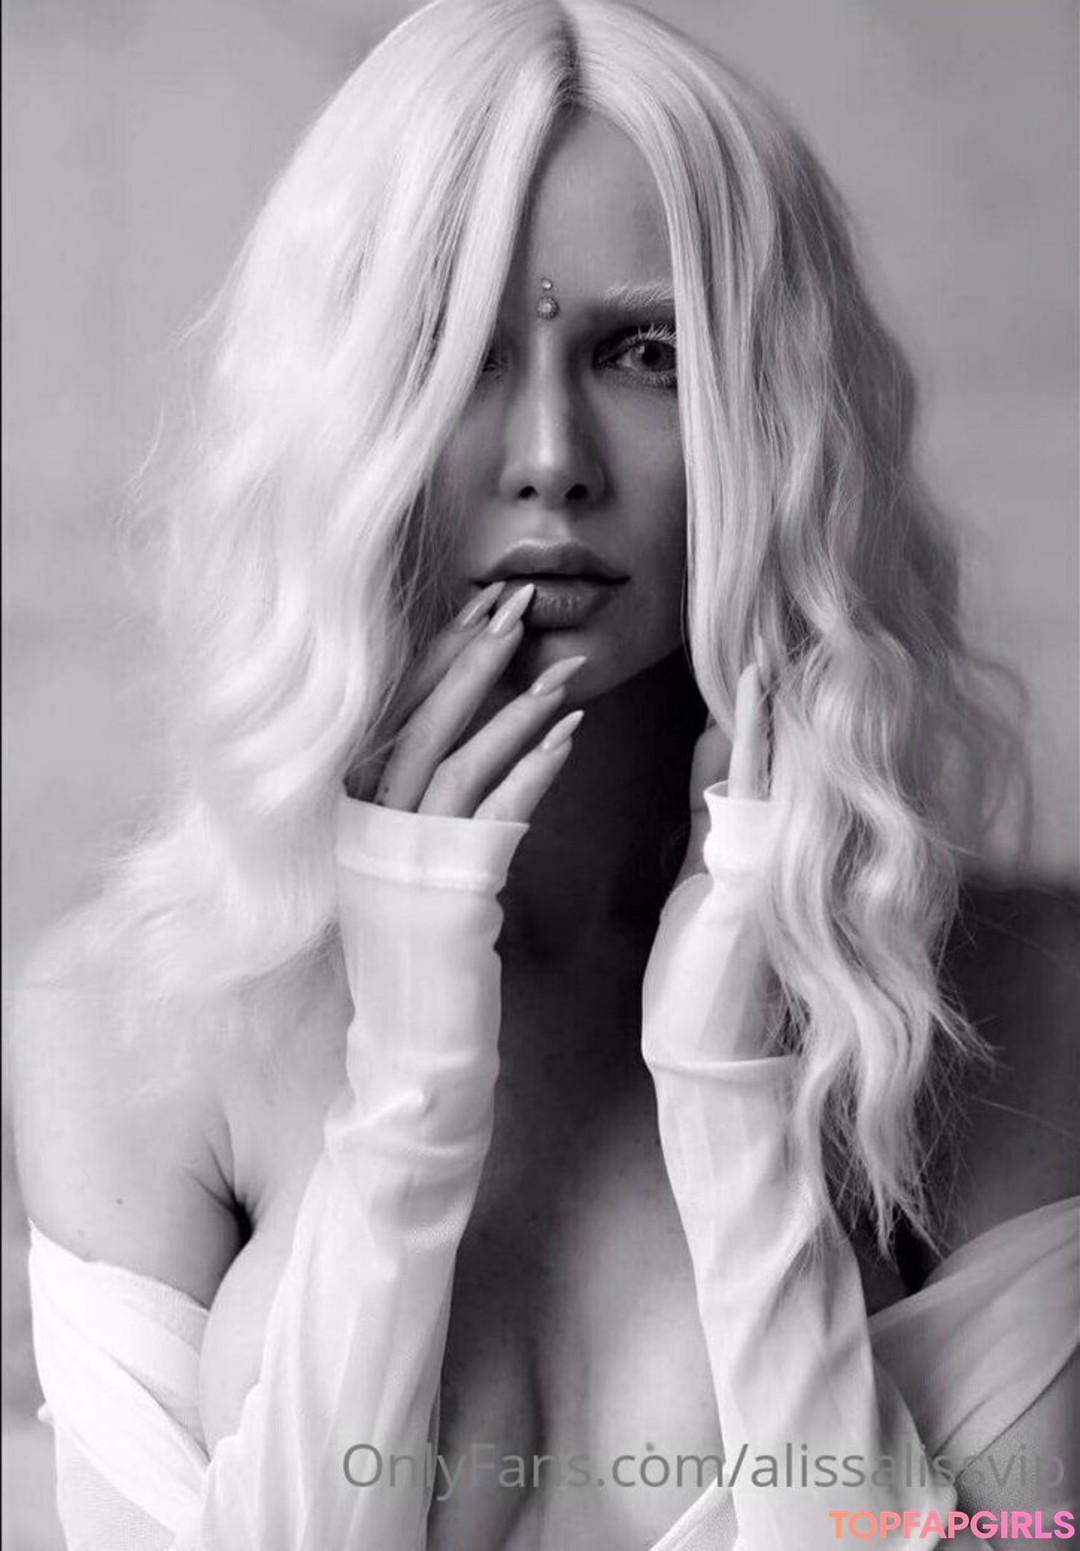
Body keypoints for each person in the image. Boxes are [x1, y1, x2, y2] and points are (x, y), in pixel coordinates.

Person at [12, 0, 1078, 1547]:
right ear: (347, 407)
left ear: (774, 409)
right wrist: (409, 1085)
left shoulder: (1011, 1006)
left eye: (647, 352)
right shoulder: (129, 1025)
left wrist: (733, 1098)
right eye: (457, 350)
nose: (552, 458)